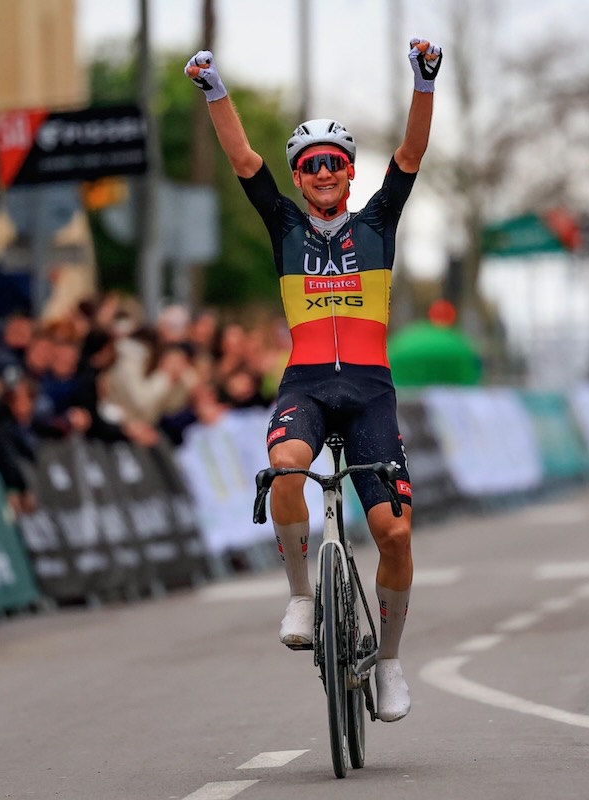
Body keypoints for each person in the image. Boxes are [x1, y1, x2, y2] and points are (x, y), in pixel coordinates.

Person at [186, 37, 441, 722]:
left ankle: (389, 663)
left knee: (395, 535)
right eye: (310, 165)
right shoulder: (285, 227)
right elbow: (244, 160)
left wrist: (424, 83)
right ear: (299, 179)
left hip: (370, 394)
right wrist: (215, 89)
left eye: (334, 163)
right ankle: (302, 594)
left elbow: (411, 155)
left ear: (349, 173)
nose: (323, 172)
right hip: (304, 386)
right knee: (285, 470)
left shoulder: (378, 223)